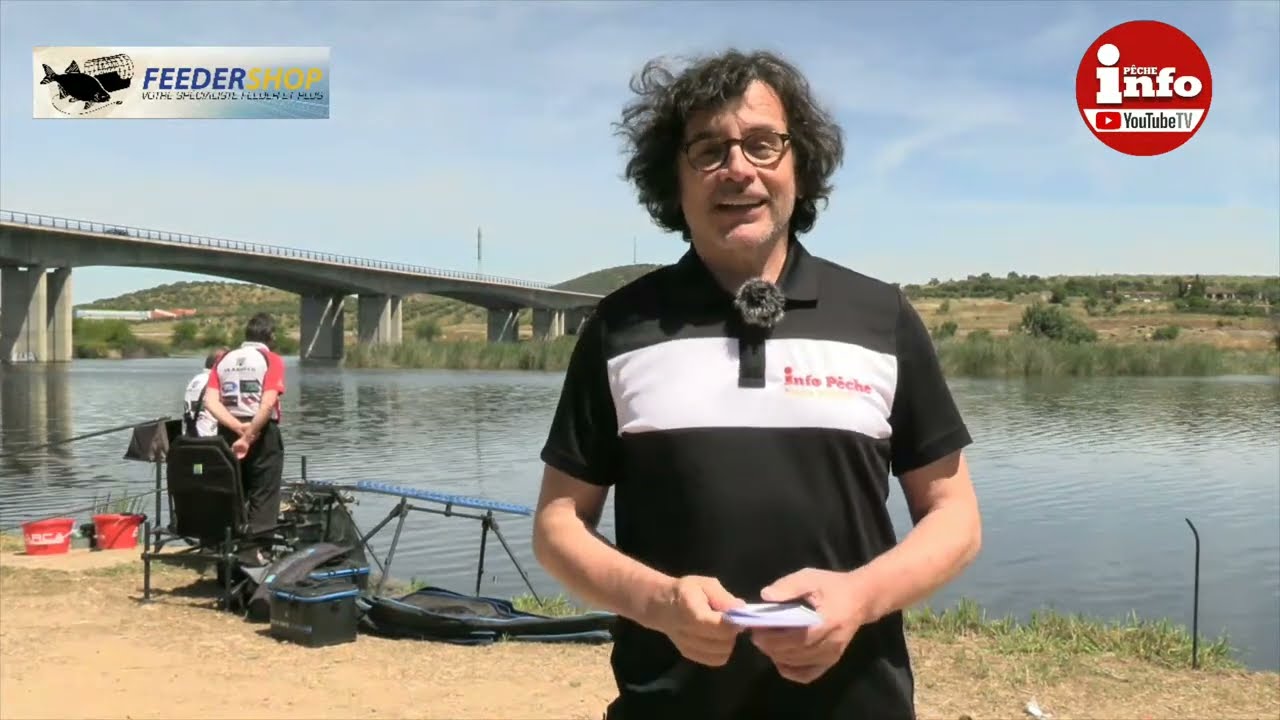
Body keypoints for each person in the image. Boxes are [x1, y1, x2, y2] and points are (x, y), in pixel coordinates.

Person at [531, 49, 982, 720]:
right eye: (708, 150)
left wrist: (858, 598)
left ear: (799, 165)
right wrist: (659, 603)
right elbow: (557, 525)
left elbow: (956, 519)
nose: (738, 167)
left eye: (763, 145)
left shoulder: (881, 316)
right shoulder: (619, 327)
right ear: (673, 180)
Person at [201, 313, 287, 563]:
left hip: (228, 432)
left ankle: (227, 548)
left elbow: (210, 402)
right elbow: (268, 401)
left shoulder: (224, 359)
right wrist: (249, 434)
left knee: (234, 491)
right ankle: (257, 553)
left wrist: (237, 428)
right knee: (265, 492)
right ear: (270, 336)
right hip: (262, 431)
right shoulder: (271, 359)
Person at [181, 348, 226, 438]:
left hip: (189, 436)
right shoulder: (215, 383)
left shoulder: (195, 379)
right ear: (218, 364)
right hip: (210, 439)